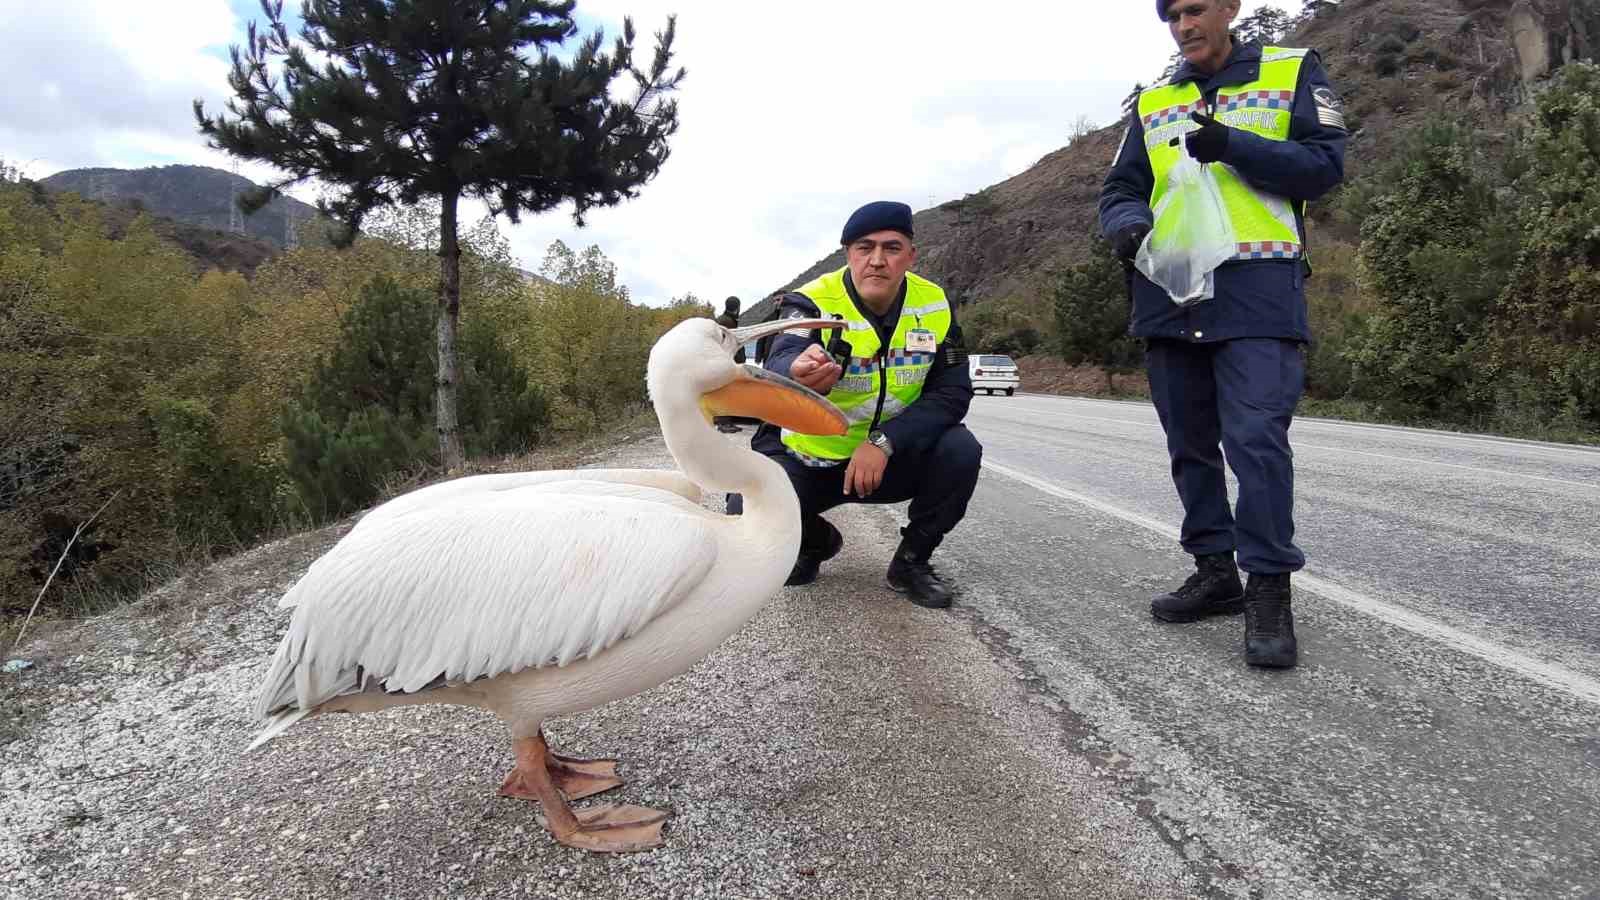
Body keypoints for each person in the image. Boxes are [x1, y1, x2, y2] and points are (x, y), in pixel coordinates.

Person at [1098, 0, 1347, 668]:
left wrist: (1232, 145)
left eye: (1196, 9)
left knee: (1256, 441)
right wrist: (1124, 224)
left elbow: (1325, 168)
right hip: (1169, 291)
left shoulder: (1291, 70)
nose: (1184, 25)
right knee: (1190, 442)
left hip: (1257, 289)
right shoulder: (1155, 101)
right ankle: (1216, 573)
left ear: (1230, 7)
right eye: (1172, 15)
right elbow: (1120, 187)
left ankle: (1269, 587)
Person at [731, 201, 981, 609]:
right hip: (809, 458)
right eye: (865, 248)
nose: (878, 261)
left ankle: (911, 563)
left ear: (911, 256)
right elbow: (783, 352)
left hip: (888, 460)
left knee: (961, 451)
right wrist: (796, 369)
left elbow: (952, 393)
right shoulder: (811, 301)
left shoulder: (934, 305)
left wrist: (884, 442)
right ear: (848, 254)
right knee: (744, 504)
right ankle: (814, 543)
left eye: (892, 248)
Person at [714, 296, 746, 433]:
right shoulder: (728, 322)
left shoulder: (722, 320)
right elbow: (732, 342)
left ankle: (720, 419)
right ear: (737, 308)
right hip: (726, 360)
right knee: (726, 391)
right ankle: (724, 423)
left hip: (720, 360)